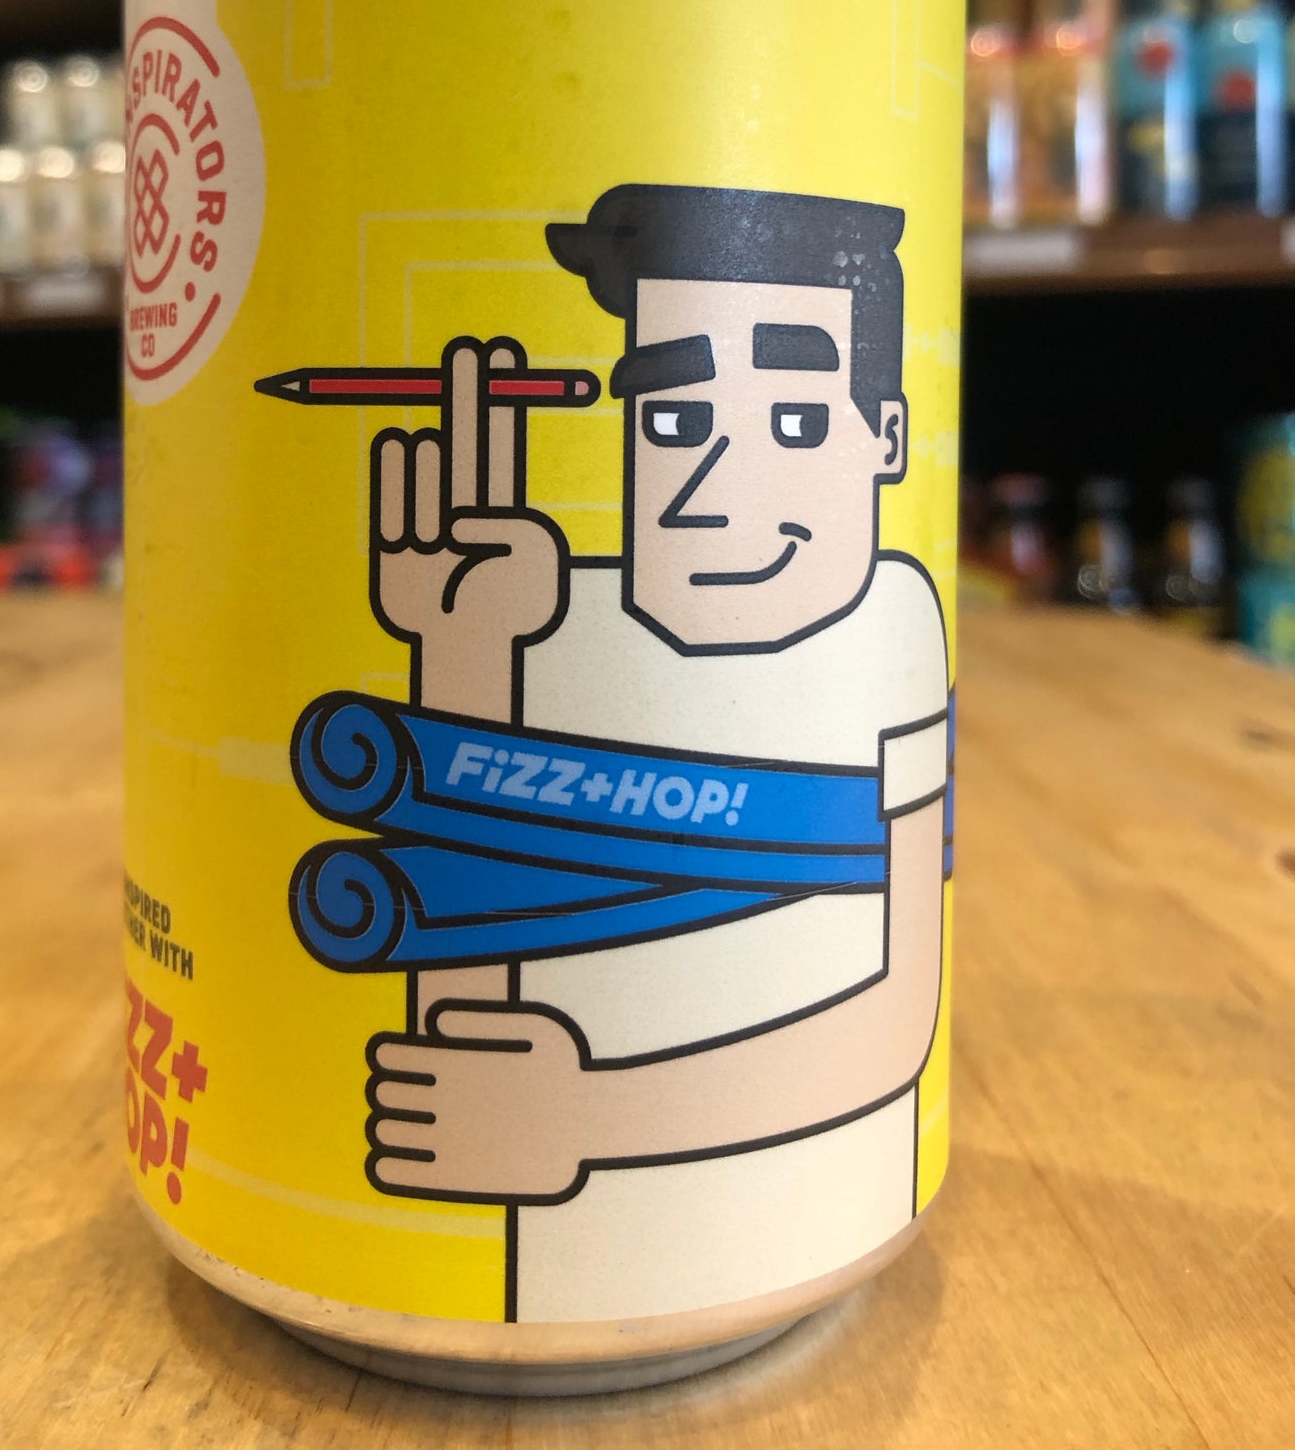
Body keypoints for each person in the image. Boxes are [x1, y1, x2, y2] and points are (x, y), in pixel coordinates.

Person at [351, 183, 950, 1322]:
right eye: (674, 423)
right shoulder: (535, 608)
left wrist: (590, 1116)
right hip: (558, 1257)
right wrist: (461, 658)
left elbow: (894, 1012)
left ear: (882, 438)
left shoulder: (888, 627)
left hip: (804, 1197)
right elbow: (462, 1003)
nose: (713, 491)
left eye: (793, 423)